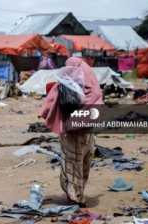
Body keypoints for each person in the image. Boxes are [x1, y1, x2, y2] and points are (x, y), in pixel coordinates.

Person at [40, 57, 103, 206]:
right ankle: (78, 193)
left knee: (72, 162)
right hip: (87, 130)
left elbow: (51, 104)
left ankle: (75, 197)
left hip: (72, 132)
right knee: (83, 162)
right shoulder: (93, 88)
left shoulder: (70, 85)